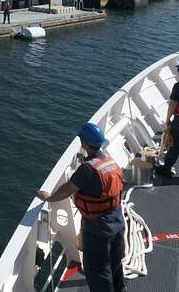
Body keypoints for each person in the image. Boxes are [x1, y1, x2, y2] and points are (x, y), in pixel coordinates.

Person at [37, 122, 125, 292]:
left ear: (84, 143)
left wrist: (50, 197)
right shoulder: (109, 160)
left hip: (98, 228)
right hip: (117, 221)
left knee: (98, 270)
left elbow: (67, 190)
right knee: (115, 263)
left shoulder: (87, 169)